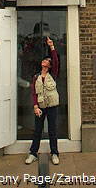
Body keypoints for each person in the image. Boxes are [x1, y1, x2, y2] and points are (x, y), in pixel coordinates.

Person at [25, 36, 60, 165]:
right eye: (44, 59)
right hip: (40, 106)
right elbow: (33, 93)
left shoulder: (53, 74)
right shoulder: (36, 77)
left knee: (52, 130)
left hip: (52, 106)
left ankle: (55, 153)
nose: (44, 61)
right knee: (37, 130)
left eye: (47, 60)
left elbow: (56, 61)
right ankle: (33, 153)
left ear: (50, 66)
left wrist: (51, 46)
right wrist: (35, 106)